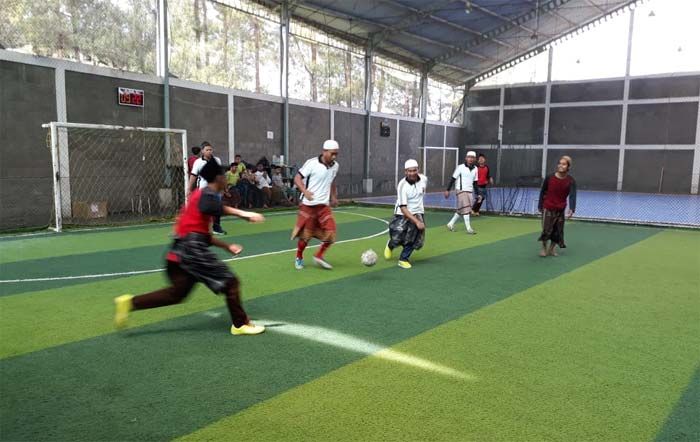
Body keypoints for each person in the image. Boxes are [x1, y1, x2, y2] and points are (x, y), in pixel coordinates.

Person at [114, 160, 266, 336]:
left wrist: (226, 246)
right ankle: (240, 324)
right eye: (224, 176)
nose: (226, 179)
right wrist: (244, 214)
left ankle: (129, 303)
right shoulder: (206, 194)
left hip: (179, 252)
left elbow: (199, 233)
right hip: (191, 251)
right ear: (219, 178)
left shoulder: (198, 198)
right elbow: (209, 212)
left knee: (177, 294)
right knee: (231, 283)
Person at [291, 139, 339, 270]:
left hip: (324, 206)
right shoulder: (311, 163)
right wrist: (304, 191)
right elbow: (297, 178)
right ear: (324, 151)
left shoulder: (335, 166)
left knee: (331, 232)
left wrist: (333, 197)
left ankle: (318, 255)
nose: (334, 156)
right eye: (332, 153)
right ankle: (299, 257)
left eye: (336, 154)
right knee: (306, 236)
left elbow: (332, 181)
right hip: (308, 206)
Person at [384, 159, 427, 269]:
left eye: (414, 170)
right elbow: (403, 208)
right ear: (405, 172)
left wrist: (418, 219)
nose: (412, 173)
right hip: (402, 212)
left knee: (416, 238)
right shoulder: (402, 185)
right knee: (398, 237)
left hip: (418, 212)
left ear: (418, 170)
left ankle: (403, 259)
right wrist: (416, 221)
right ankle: (391, 244)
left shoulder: (423, 180)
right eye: (409, 171)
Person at [538, 155, 577, 257]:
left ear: (568, 167)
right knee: (546, 230)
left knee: (558, 231)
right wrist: (540, 205)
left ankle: (551, 249)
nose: (560, 165)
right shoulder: (549, 178)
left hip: (560, 209)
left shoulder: (571, 181)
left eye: (563, 164)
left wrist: (572, 209)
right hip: (548, 207)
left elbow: (572, 196)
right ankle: (543, 248)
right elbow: (543, 191)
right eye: (559, 163)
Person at [189, 141, 225, 235]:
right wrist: (189, 188)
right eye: (207, 150)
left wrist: (222, 189)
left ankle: (216, 228)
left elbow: (220, 175)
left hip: (215, 189)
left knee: (217, 208)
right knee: (202, 209)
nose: (209, 151)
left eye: (210, 149)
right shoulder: (198, 162)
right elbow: (193, 175)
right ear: (202, 151)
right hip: (203, 189)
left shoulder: (217, 160)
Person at [444, 150, 480, 234]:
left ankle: (450, 224)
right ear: (466, 158)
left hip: (469, 191)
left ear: (475, 159)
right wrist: (447, 190)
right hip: (460, 190)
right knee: (466, 209)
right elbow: (453, 178)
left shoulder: (476, 169)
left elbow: (475, 182)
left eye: (472, 157)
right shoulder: (460, 167)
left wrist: (478, 194)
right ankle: (469, 229)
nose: (470, 159)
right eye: (469, 157)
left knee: (461, 209)